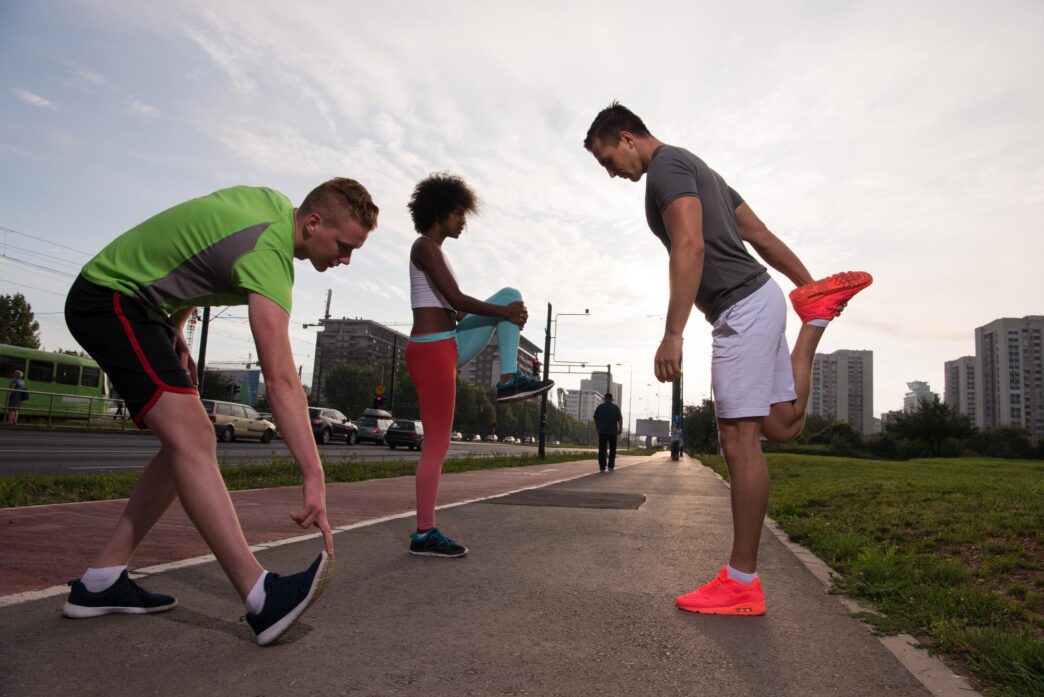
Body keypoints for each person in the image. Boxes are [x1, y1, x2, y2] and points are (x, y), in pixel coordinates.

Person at [584, 102, 872, 617]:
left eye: (608, 160)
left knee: (739, 441)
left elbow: (689, 247)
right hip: (759, 298)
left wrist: (673, 333)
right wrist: (811, 290)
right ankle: (816, 321)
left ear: (627, 138)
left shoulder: (666, 170)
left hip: (739, 306)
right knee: (781, 425)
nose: (611, 173)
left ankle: (741, 582)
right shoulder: (702, 168)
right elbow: (759, 235)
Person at [61, 179, 378, 645]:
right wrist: (313, 472)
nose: (345, 259)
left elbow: (198, 250)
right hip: (110, 300)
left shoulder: (268, 207)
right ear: (313, 223)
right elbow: (281, 379)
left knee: (181, 447)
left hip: (141, 306)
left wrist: (178, 327)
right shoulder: (269, 258)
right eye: (344, 245)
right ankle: (260, 596)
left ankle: (101, 581)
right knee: (195, 439)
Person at [406, 173, 554, 557]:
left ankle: (509, 377)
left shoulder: (437, 253)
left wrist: (505, 311)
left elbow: (452, 311)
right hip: (431, 350)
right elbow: (455, 299)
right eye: (457, 213)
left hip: (446, 340)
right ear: (439, 212)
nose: (463, 221)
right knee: (436, 447)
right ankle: (424, 533)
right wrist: (501, 313)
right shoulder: (424, 248)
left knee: (511, 295)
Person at [593, 391, 623, 472]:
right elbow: (620, 420)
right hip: (613, 432)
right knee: (612, 449)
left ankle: (602, 467)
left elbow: (595, 419)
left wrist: (597, 428)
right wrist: (620, 429)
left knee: (602, 449)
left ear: (605, 399)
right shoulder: (616, 408)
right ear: (611, 399)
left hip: (602, 431)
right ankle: (611, 466)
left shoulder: (600, 407)